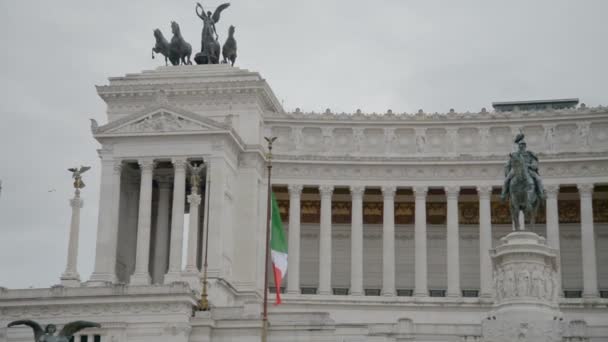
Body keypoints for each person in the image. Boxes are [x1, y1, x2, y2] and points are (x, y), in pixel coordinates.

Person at [501, 133, 545, 201]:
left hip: (528, 170)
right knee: (506, 180)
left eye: (523, 145)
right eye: (520, 145)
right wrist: (508, 171)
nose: (521, 146)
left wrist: (529, 165)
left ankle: (541, 194)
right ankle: (503, 194)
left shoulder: (529, 154)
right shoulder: (515, 155)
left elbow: (535, 165)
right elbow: (508, 164)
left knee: (538, 179)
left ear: (525, 146)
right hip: (515, 170)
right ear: (518, 146)